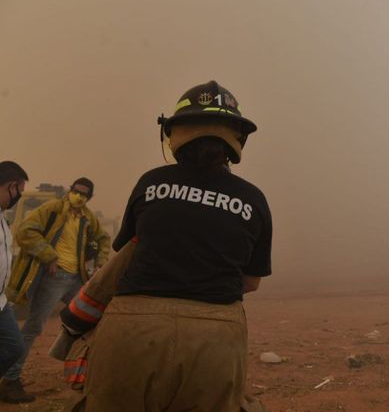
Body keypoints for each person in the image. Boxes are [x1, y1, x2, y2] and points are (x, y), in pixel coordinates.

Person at [78, 81, 272, 412]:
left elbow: (127, 252)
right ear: (236, 139)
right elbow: (251, 282)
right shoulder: (253, 199)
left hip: (131, 330)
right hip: (215, 339)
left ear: (174, 134)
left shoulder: (150, 182)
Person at [0, 178, 110, 404]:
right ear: (70, 191)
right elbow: (26, 230)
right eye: (76, 191)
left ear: (88, 198)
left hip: (77, 278)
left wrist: (101, 262)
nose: (78, 196)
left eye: (84, 194)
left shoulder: (87, 217)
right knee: (34, 327)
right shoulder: (52, 208)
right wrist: (48, 254)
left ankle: (87, 373)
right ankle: (10, 381)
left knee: (94, 320)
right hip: (54, 278)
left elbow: (103, 238)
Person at [0, 162, 28, 385]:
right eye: (19, 191)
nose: (18, 196)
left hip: (1, 301)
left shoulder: (3, 218)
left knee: (14, 347)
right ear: (11, 186)